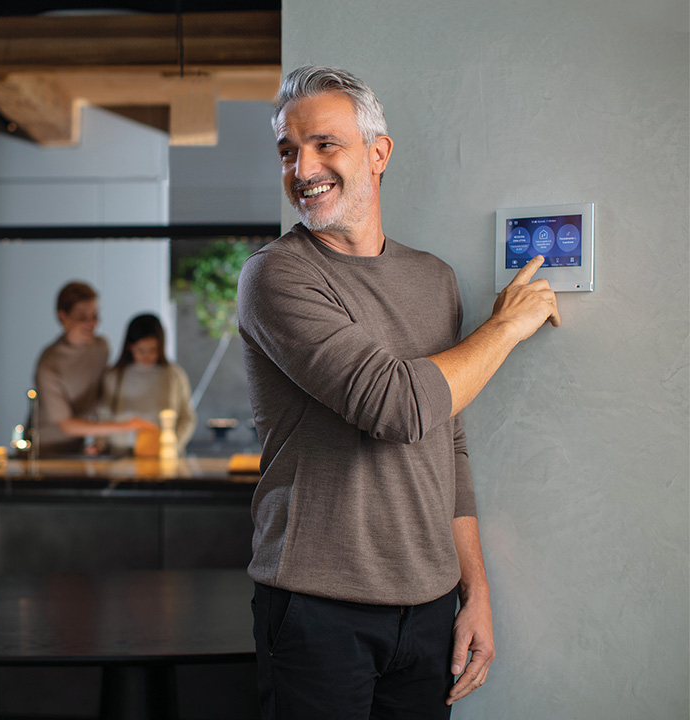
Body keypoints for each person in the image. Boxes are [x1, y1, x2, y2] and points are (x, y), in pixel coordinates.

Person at [236, 66, 560, 719]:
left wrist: (476, 593)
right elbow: (399, 408)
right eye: (288, 151)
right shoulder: (276, 277)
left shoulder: (433, 279)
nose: (303, 167)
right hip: (316, 611)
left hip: (430, 608)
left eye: (325, 144)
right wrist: (507, 327)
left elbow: (449, 443)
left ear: (378, 153)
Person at [33, 281, 157, 456]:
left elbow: (101, 397)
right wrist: (125, 426)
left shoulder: (101, 347)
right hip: (45, 449)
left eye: (95, 315)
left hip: (78, 447)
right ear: (63, 317)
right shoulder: (49, 363)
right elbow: (66, 424)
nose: (91, 323)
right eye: (82, 316)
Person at [99, 313, 197, 455]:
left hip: (161, 455)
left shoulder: (173, 375)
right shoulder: (114, 375)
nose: (147, 356)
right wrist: (99, 444)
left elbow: (187, 418)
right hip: (120, 455)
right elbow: (104, 414)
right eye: (141, 350)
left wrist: (174, 445)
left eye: (153, 350)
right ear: (130, 347)